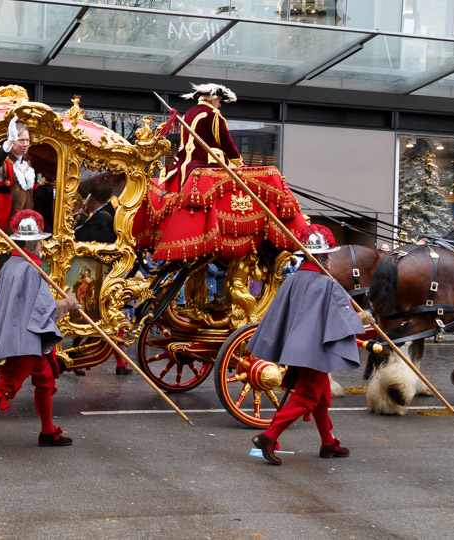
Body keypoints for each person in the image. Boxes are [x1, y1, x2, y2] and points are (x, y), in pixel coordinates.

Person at [0, 210, 81, 456]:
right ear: (32, 242)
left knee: (45, 379)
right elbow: (44, 312)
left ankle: (48, 431)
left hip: (24, 335)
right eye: (40, 240)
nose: (42, 244)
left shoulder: (12, 264)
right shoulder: (30, 269)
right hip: (25, 340)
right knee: (7, 385)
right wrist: (68, 303)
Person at [249, 225, 374, 466]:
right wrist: (362, 318)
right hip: (315, 350)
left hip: (295, 348)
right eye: (329, 255)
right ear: (323, 256)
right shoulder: (327, 284)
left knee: (322, 395)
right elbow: (339, 319)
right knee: (307, 395)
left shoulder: (292, 281)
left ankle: (328, 443)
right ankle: (269, 437)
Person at [160, 83, 244, 193]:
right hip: (207, 162)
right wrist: (240, 163)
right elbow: (226, 143)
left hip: (185, 164)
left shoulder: (187, 115)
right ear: (212, 99)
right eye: (219, 101)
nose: (219, 105)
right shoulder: (213, 114)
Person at [0, 117, 33, 233]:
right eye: (21, 140)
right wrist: (9, 142)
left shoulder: (27, 164)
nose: (25, 144)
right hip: (6, 227)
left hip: (25, 227)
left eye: (27, 140)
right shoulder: (5, 163)